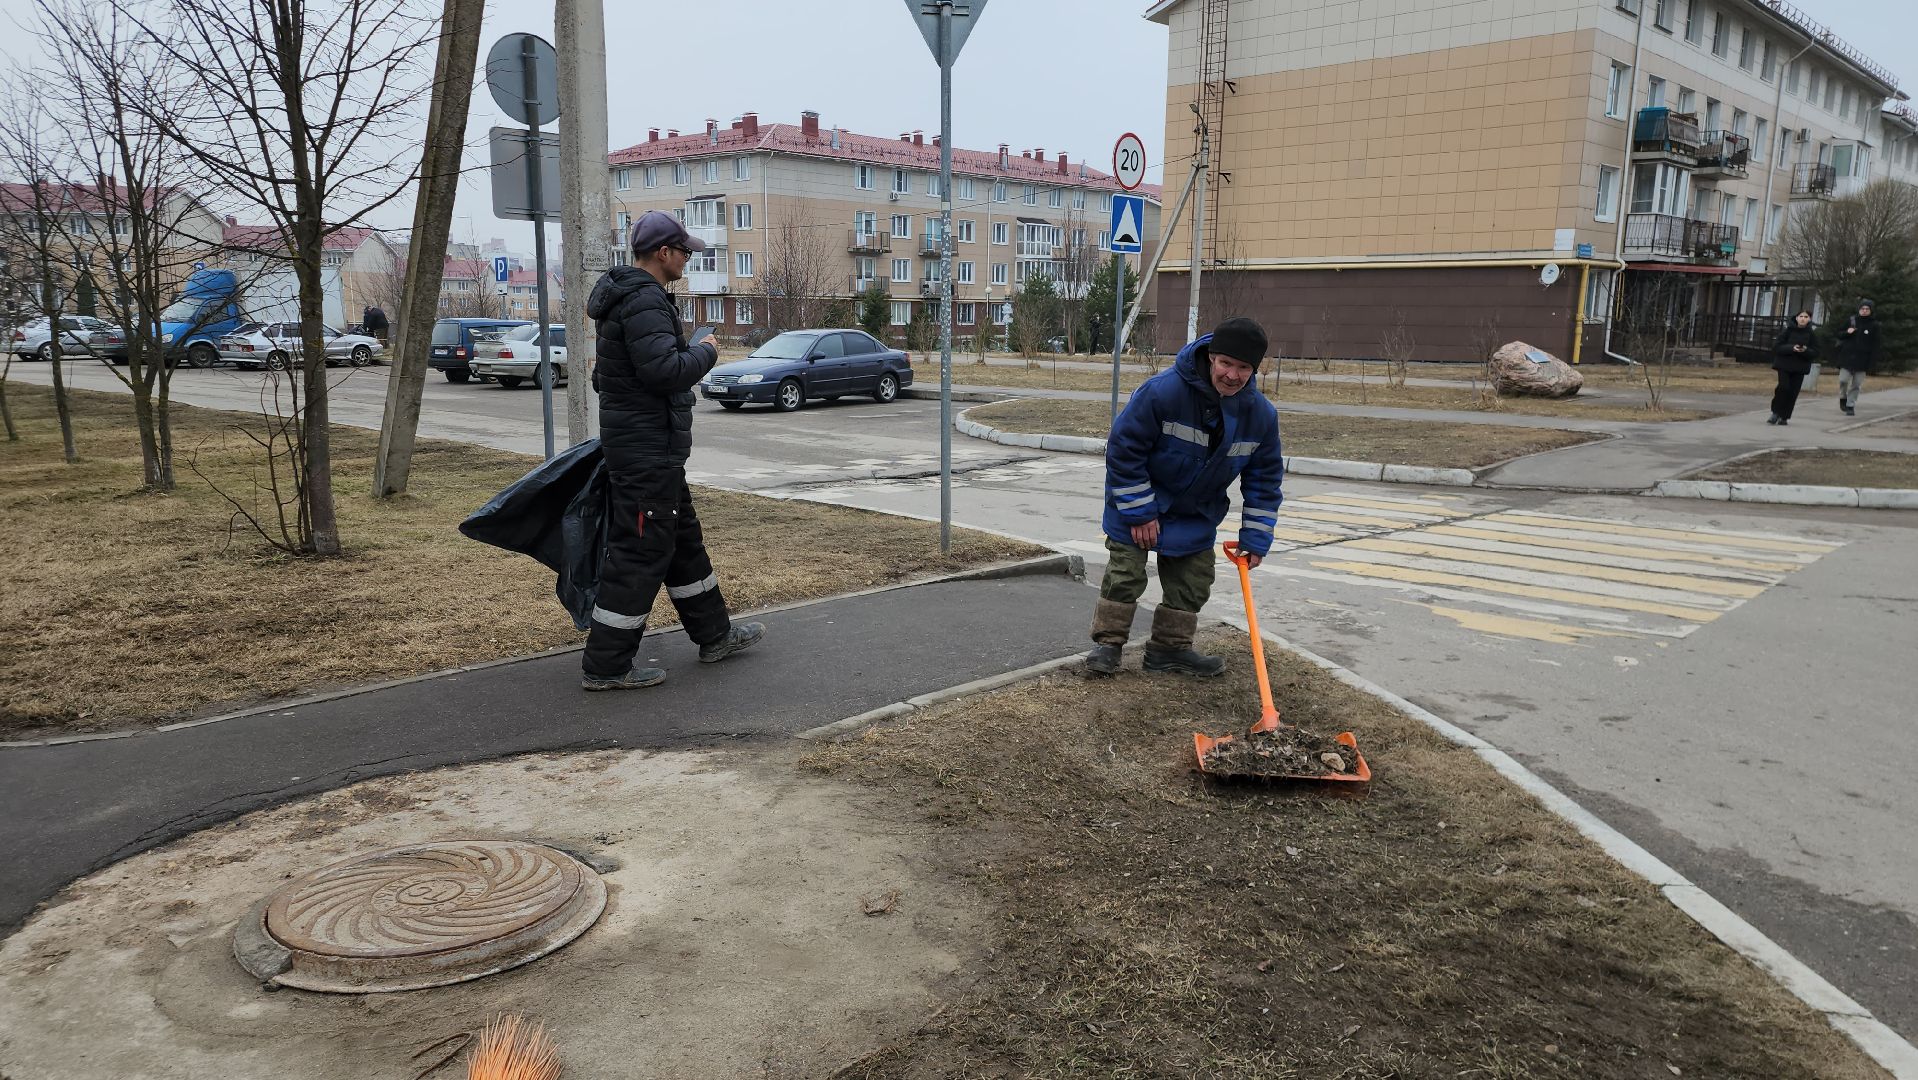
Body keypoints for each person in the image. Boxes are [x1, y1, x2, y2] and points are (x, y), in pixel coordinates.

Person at [579, 210, 763, 690]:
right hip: (646, 456)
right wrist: (706, 352)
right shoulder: (644, 301)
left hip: (651, 453)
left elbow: (606, 377)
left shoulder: (630, 300)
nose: (688, 259)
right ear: (663, 253)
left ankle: (715, 635)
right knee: (639, 554)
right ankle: (606, 666)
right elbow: (664, 372)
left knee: (683, 545)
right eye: (684, 251)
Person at [1086, 317, 1284, 677]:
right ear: (1211, 357)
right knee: (1125, 573)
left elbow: (1265, 482)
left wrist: (1256, 538)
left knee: (1193, 580)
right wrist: (1141, 512)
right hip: (1138, 501)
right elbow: (1123, 451)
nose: (1232, 375)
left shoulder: (1260, 416)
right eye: (1226, 363)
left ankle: (1169, 649)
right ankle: (1108, 646)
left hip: (1196, 512)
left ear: (1254, 369)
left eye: (1243, 367)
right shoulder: (1162, 392)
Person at [1768, 310, 1820, 426]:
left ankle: (1784, 416)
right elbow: (1777, 347)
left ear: (1809, 319)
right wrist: (1792, 348)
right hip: (1784, 365)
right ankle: (1775, 412)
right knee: (1783, 387)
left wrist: (1805, 350)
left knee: (1793, 392)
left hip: (1800, 367)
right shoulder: (1788, 330)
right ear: (1796, 318)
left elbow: (1816, 352)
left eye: (1805, 317)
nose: (1803, 319)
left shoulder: (1811, 334)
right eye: (1800, 316)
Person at [1834, 299, 1879, 416]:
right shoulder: (1851, 320)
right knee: (1843, 380)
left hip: (1863, 360)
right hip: (1847, 357)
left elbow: (1875, 345)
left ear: (1871, 311)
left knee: (1856, 384)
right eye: (1862, 309)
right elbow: (1839, 334)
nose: (1864, 311)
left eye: (1867, 309)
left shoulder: (1874, 325)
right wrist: (1847, 332)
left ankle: (1850, 405)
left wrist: (1872, 363)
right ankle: (1843, 397)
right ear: (1859, 309)